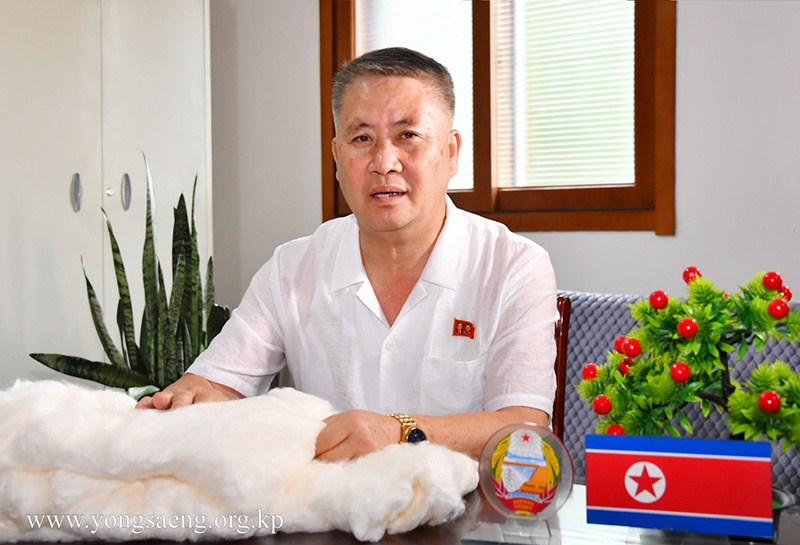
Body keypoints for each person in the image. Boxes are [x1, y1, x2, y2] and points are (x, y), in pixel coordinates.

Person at [136, 47, 558, 463]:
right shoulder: (291, 267)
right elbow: (220, 385)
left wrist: (398, 432)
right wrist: (187, 399)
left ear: (451, 152)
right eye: (362, 139)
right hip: (328, 503)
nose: (384, 162)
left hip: (462, 505)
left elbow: (524, 428)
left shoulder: (514, 267)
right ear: (338, 157)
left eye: (407, 136)